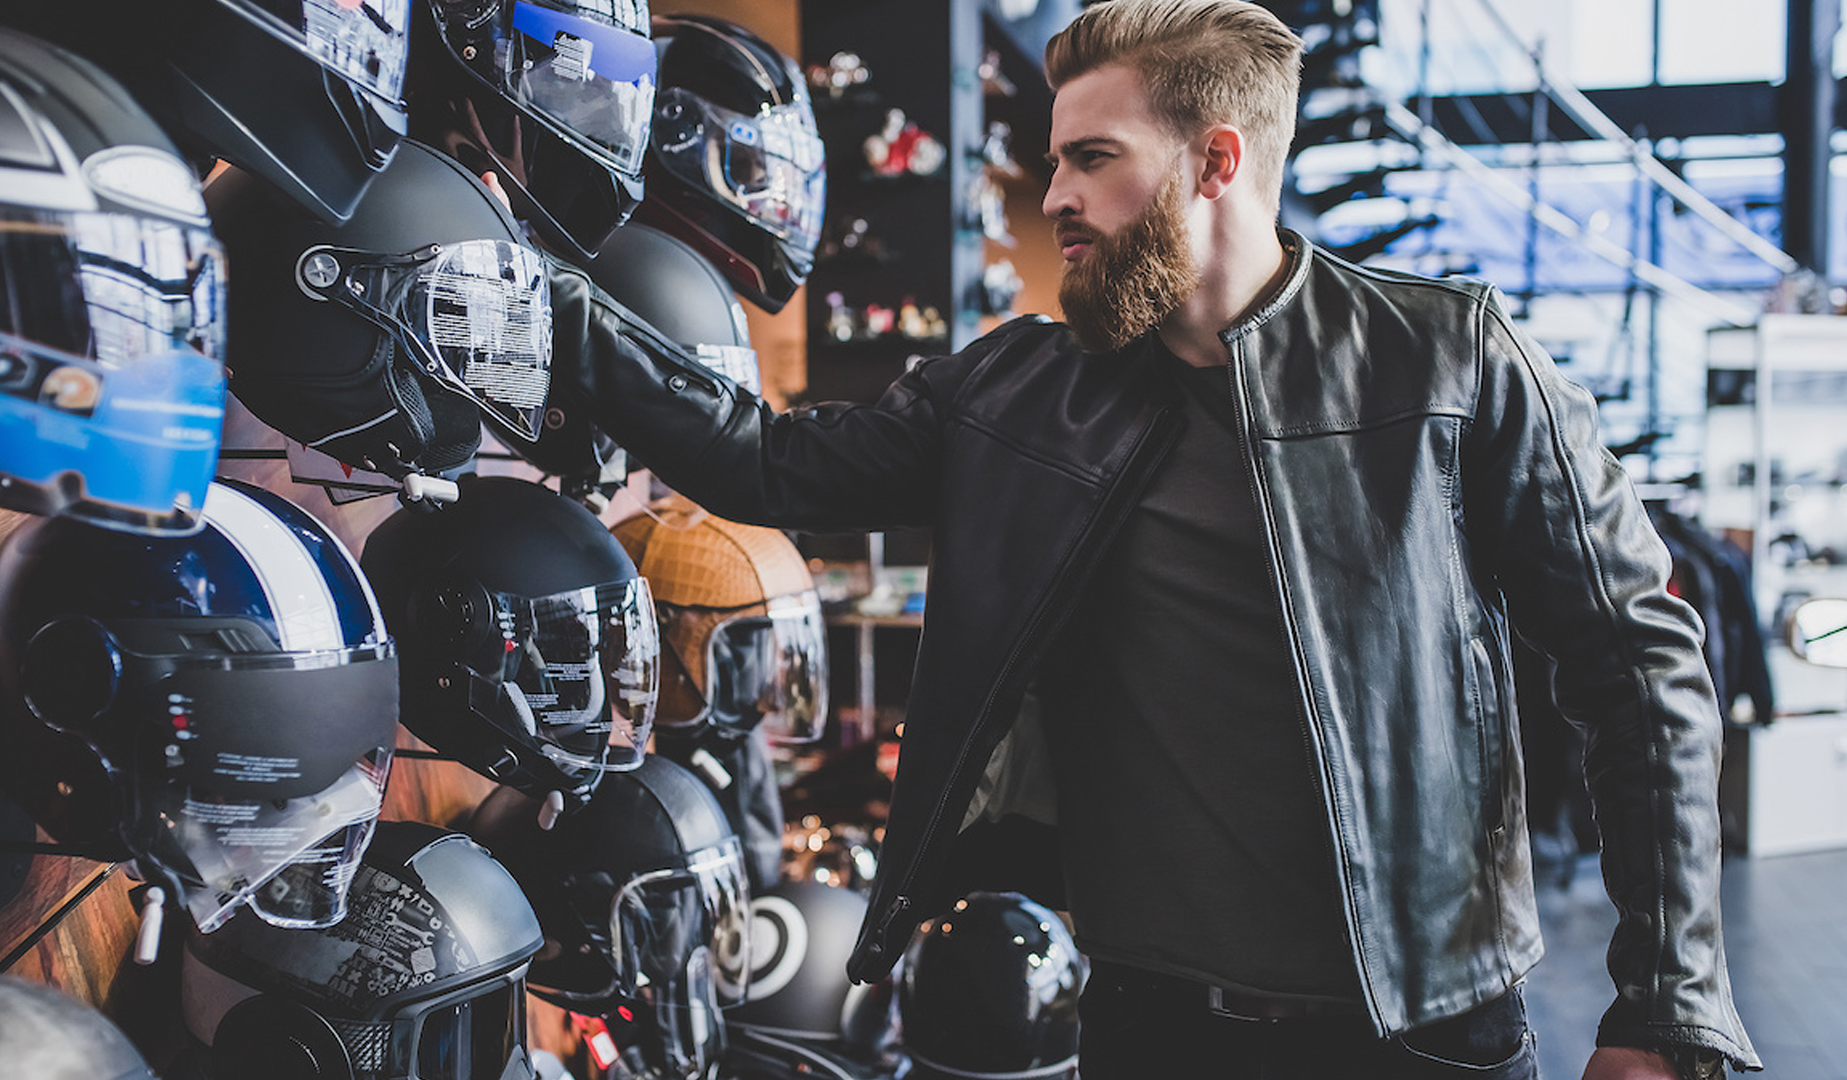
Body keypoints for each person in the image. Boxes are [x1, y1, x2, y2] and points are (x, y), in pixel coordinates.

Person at [540, 1, 1756, 1076]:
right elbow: (769, 458)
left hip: (1424, 1031)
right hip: (1145, 1023)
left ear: (1214, 161)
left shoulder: (1452, 361)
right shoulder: (1019, 389)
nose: (1055, 194)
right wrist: (531, 293)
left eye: (1091, 159)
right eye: (1056, 159)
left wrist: (1667, 1004)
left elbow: (1639, 668)